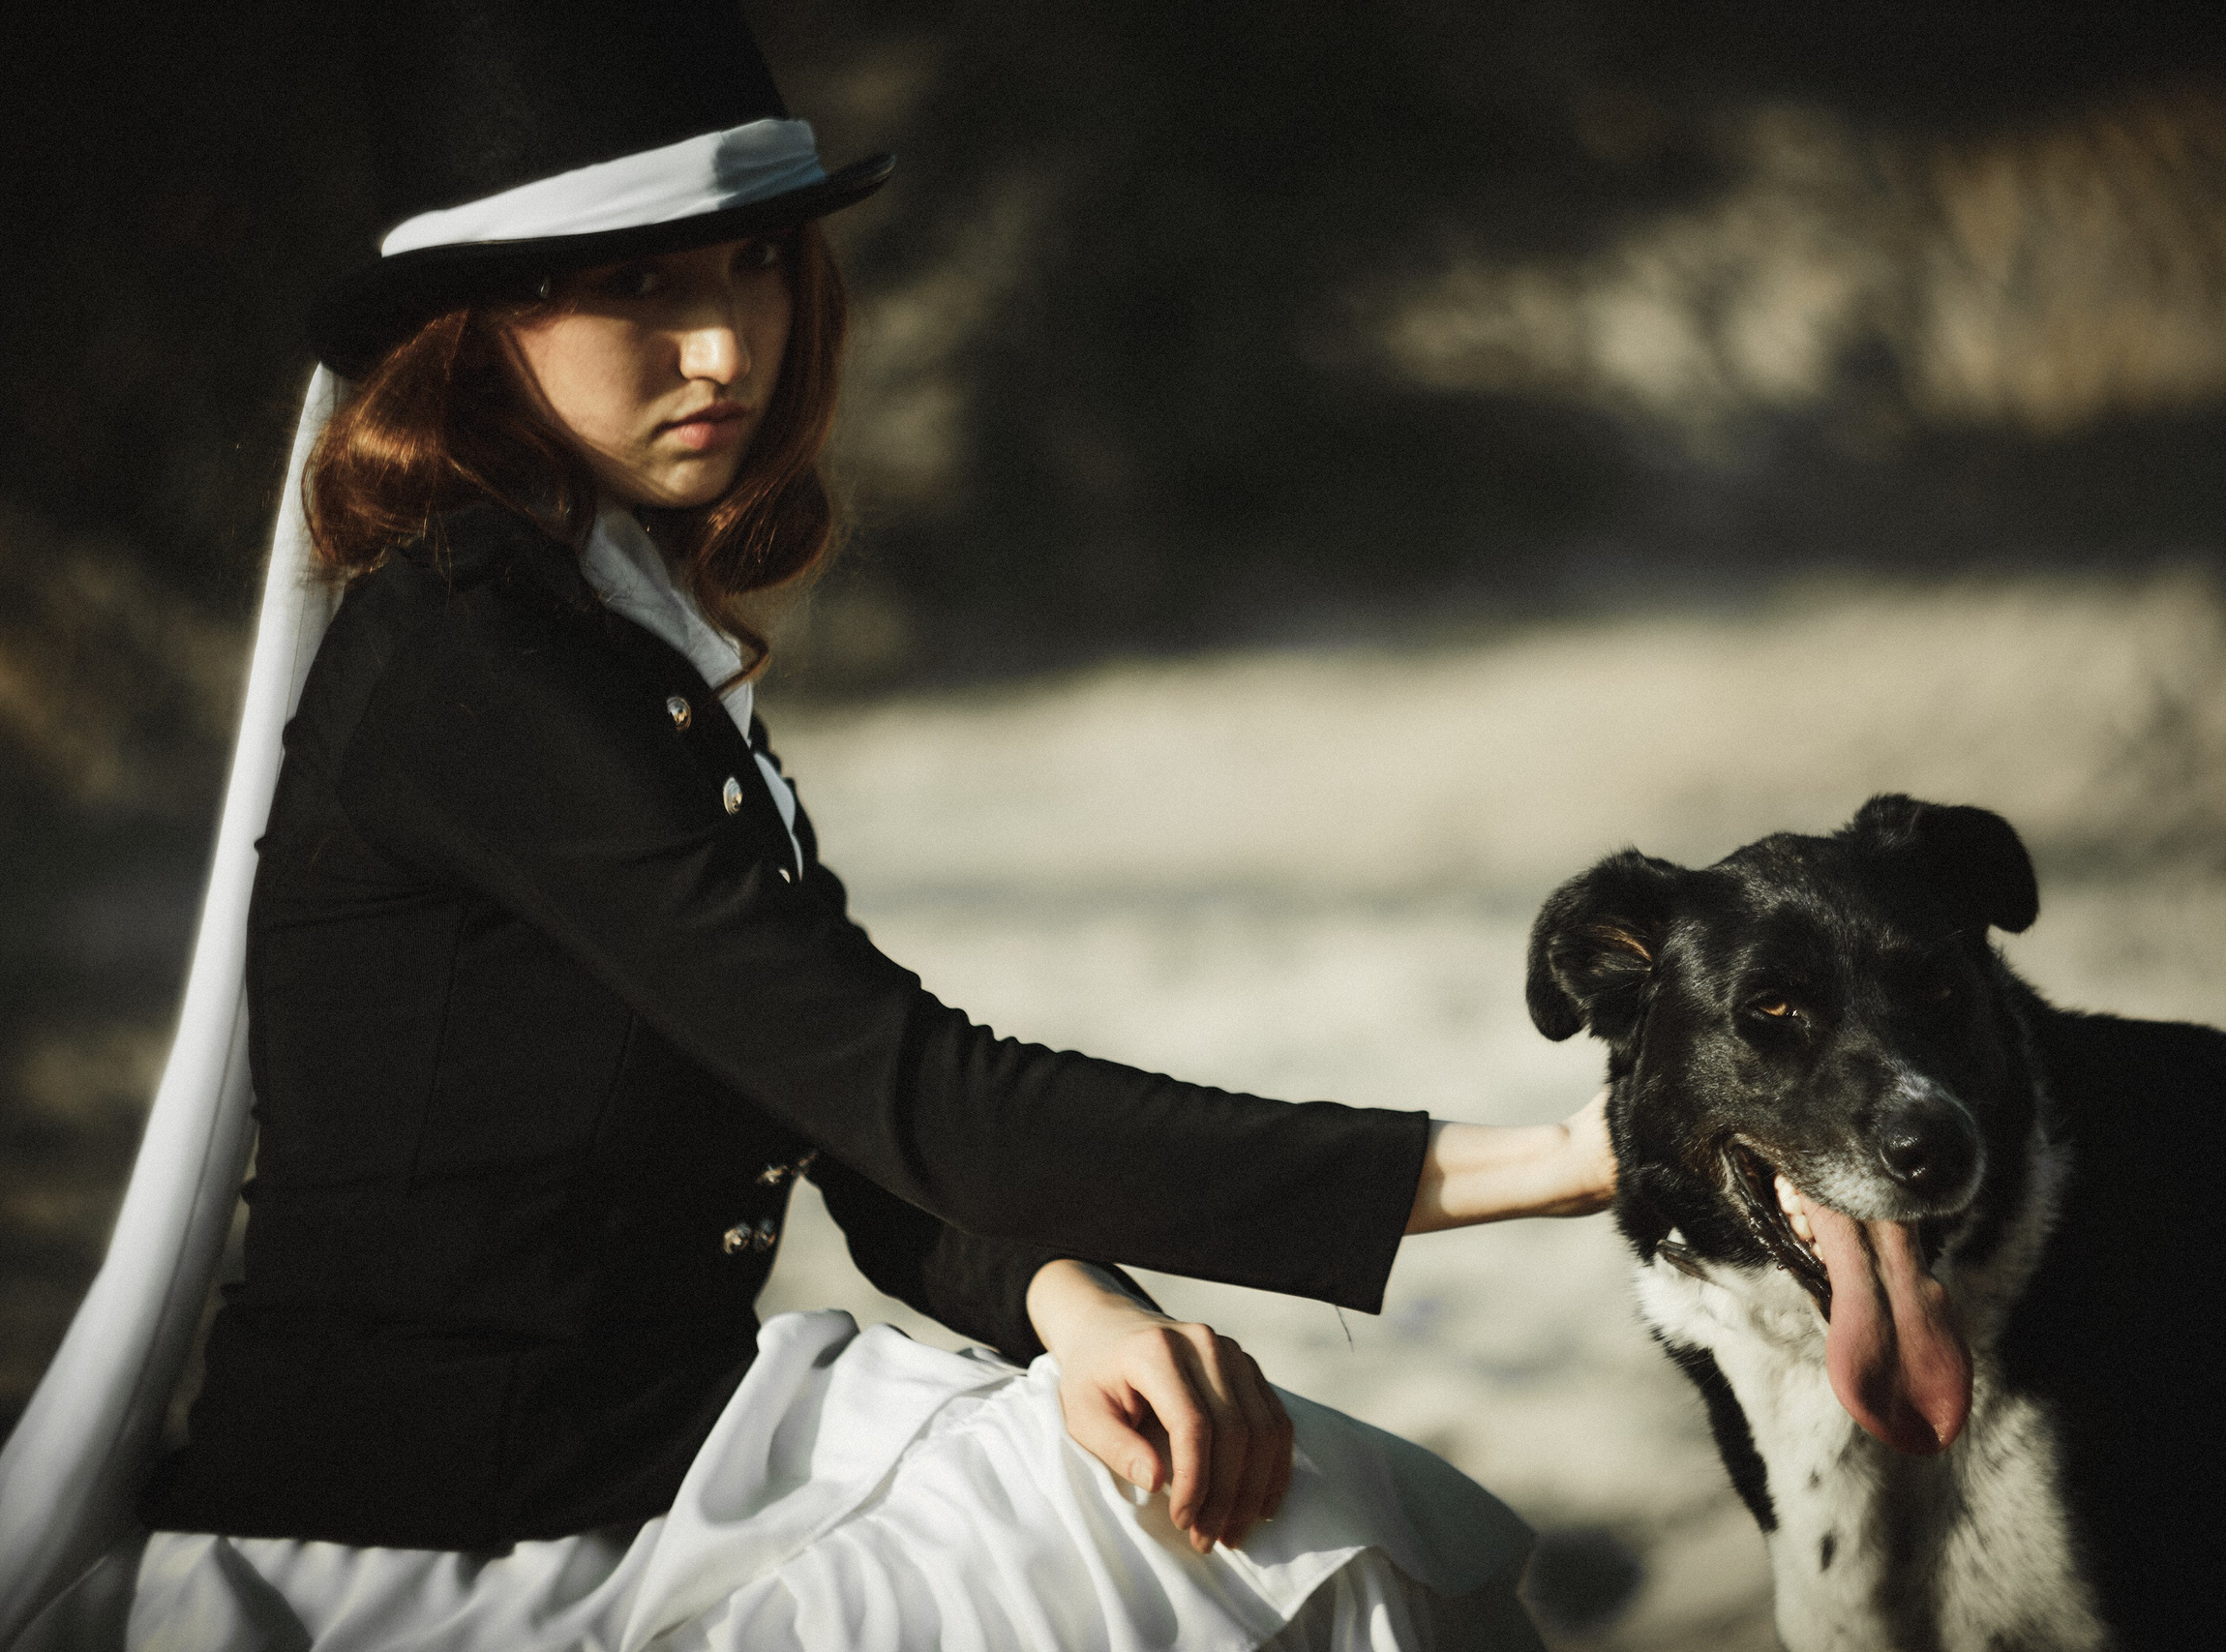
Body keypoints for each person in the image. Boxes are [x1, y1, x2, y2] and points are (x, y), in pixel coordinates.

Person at [17, 4, 1615, 1648]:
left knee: (1282, 1517)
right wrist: (1549, 1163)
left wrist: (1072, 1303)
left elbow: (836, 1102)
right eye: (639, 281)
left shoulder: (599, 621)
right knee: (1294, 1558)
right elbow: (921, 1090)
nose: (726, 345)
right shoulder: (470, 661)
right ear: (476, 322)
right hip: (443, 1568)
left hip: (661, 1475)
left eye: (758, 260)